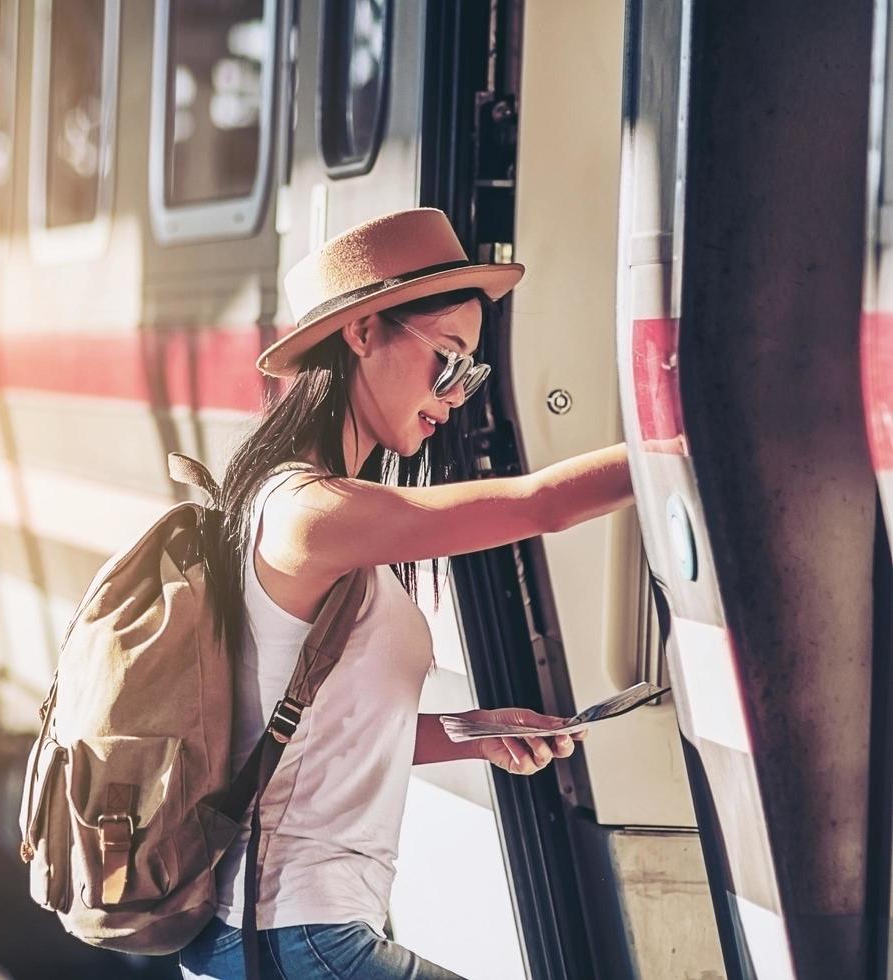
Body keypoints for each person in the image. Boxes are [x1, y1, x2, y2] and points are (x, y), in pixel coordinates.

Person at [179, 209, 633, 980]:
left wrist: (468, 732)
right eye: (448, 361)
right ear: (362, 332)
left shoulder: (307, 507)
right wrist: (681, 437)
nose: (457, 396)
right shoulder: (311, 511)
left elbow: (305, 739)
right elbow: (539, 506)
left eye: (472, 374)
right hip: (293, 937)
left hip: (286, 934)